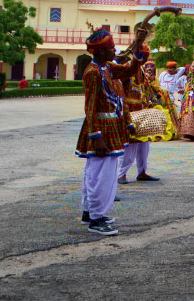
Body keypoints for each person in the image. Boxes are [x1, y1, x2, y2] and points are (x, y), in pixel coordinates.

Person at [76, 27, 147, 236]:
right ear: (99, 52)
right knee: (101, 175)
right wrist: (95, 136)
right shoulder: (93, 72)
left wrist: (138, 45)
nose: (115, 51)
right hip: (101, 129)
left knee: (96, 172)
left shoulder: (106, 68)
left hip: (109, 127)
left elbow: (129, 70)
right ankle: (96, 219)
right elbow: (89, 107)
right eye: (111, 48)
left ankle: (91, 212)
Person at [117, 44, 165, 185]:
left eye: (145, 58)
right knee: (130, 145)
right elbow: (120, 92)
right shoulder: (126, 69)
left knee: (145, 143)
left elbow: (146, 90)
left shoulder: (142, 71)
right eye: (142, 58)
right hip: (130, 112)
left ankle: (142, 172)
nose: (144, 61)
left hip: (142, 111)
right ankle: (121, 174)